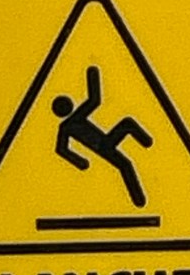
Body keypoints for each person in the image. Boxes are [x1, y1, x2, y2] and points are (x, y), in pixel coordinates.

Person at [52, 66, 153, 207]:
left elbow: (94, 101)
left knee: (125, 159)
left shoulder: (69, 123)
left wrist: (92, 74)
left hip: (105, 142)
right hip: (103, 146)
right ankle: (139, 200)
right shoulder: (69, 123)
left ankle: (148, 144)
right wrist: (80, 162)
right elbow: (61, 149)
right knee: (125, 158)